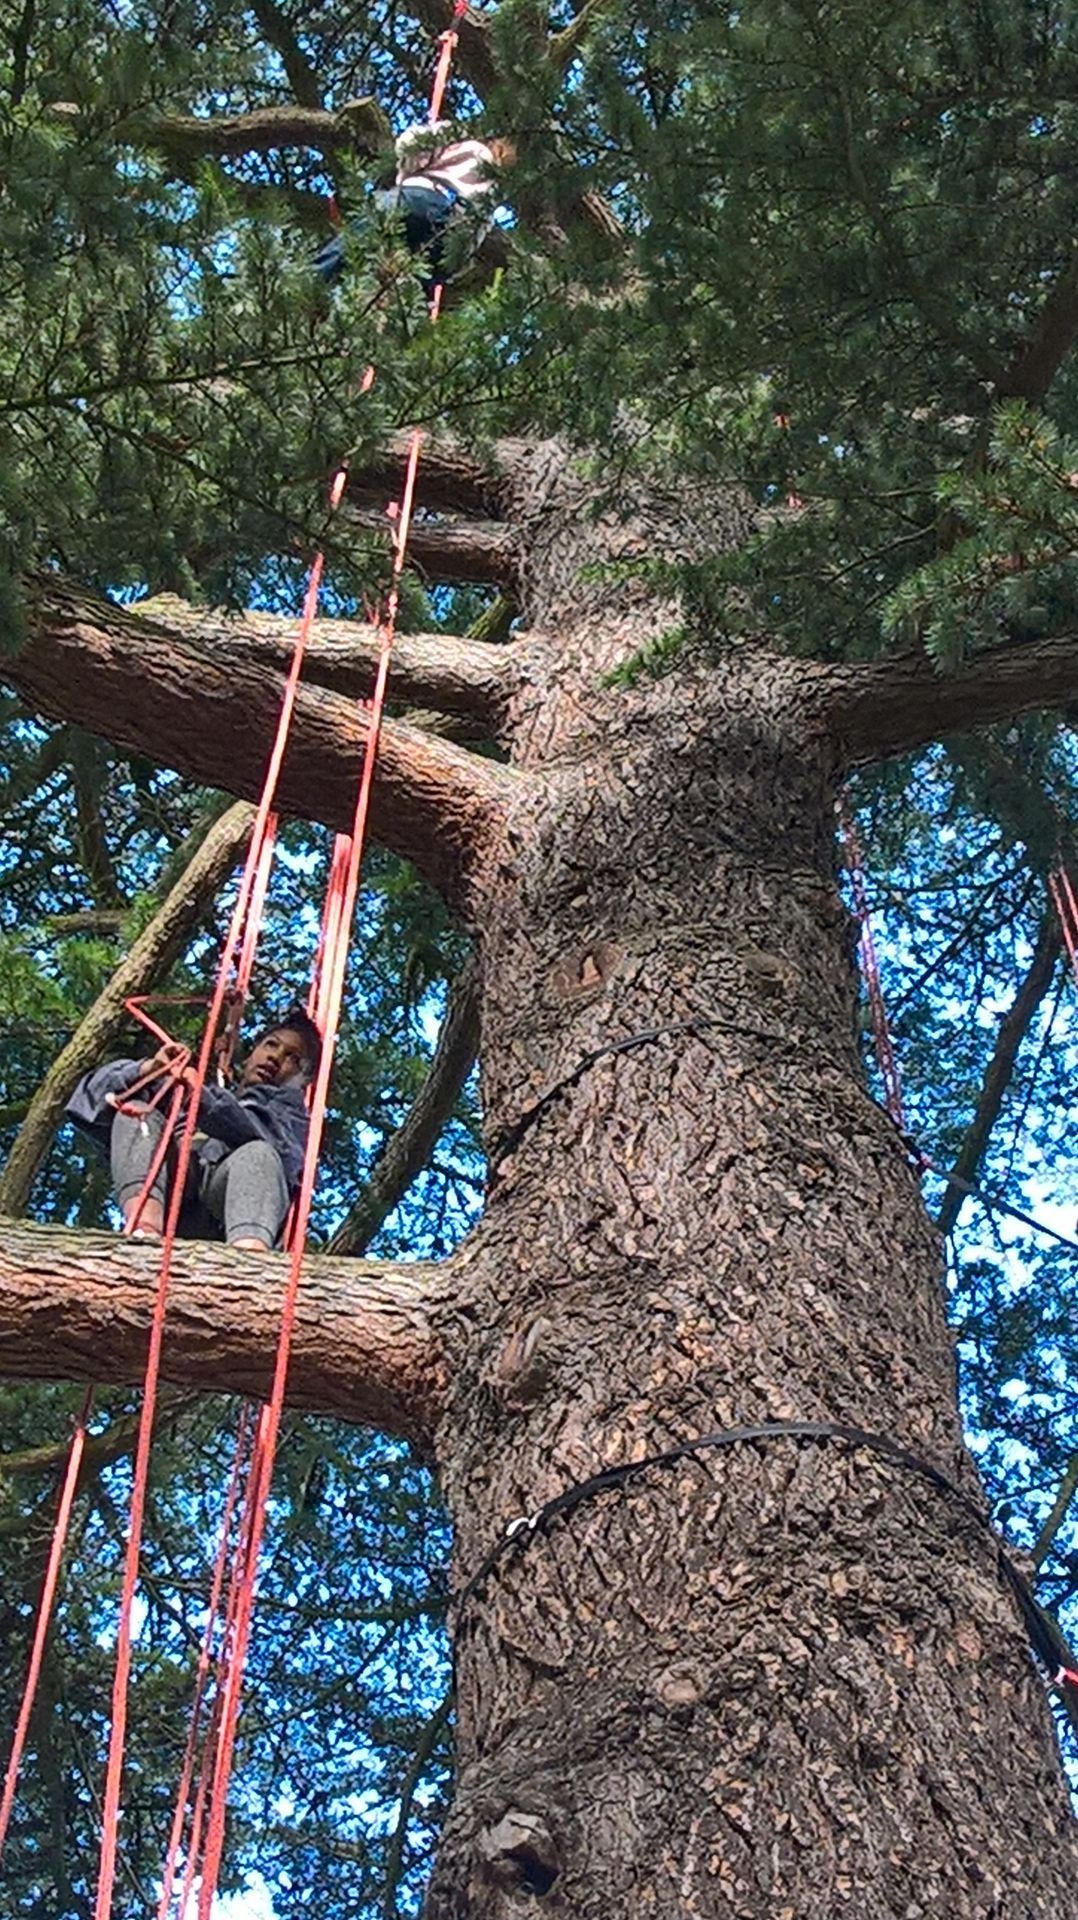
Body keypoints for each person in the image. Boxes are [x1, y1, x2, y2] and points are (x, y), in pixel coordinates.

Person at [66, 1007, 322, 1252]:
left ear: (302, 1079)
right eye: (271, 1044)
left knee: (259, 1154)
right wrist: (148, 1070)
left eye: (293, 1058)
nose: (276, 1057)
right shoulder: (183, 1091)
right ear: (252, 1052)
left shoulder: (290, 1112)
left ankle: (249, 1254)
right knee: (137, 1112)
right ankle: (143, 1230)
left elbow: (264, 1137)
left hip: (224, 1212)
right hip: (175, 1195)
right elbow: (88, 1099)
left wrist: (201, 1099)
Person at [314, 121, 509, 295]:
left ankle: (313, 281)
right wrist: (440, 274)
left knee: (356, 240)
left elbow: (411, 146)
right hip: (446, 231)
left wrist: (406, 168)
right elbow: (470, 239)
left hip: (420, 197)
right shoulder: (494, 190)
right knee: (405, 290)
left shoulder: (462, 139)